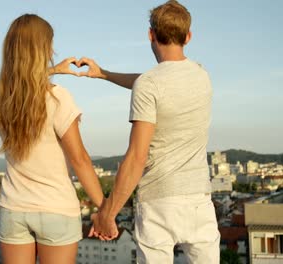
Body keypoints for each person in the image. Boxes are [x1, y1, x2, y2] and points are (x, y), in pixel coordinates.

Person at [76, 1, 220, 263]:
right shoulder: (202, 76)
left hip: (158, 203)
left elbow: (136, 157)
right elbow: (158, 82)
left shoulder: (149, 84)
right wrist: (104, 74)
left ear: (150, 34)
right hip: (199, 201)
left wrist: (108, 214)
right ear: (188, 37)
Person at [0, 14, 114, 264]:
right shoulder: (58, 98)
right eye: (49, 44)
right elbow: (79, 159)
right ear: (42, 49)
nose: (53, 50)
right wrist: (104, 208)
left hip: (14, 209)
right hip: (56, 209)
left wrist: (55, 70)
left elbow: (22, 83)